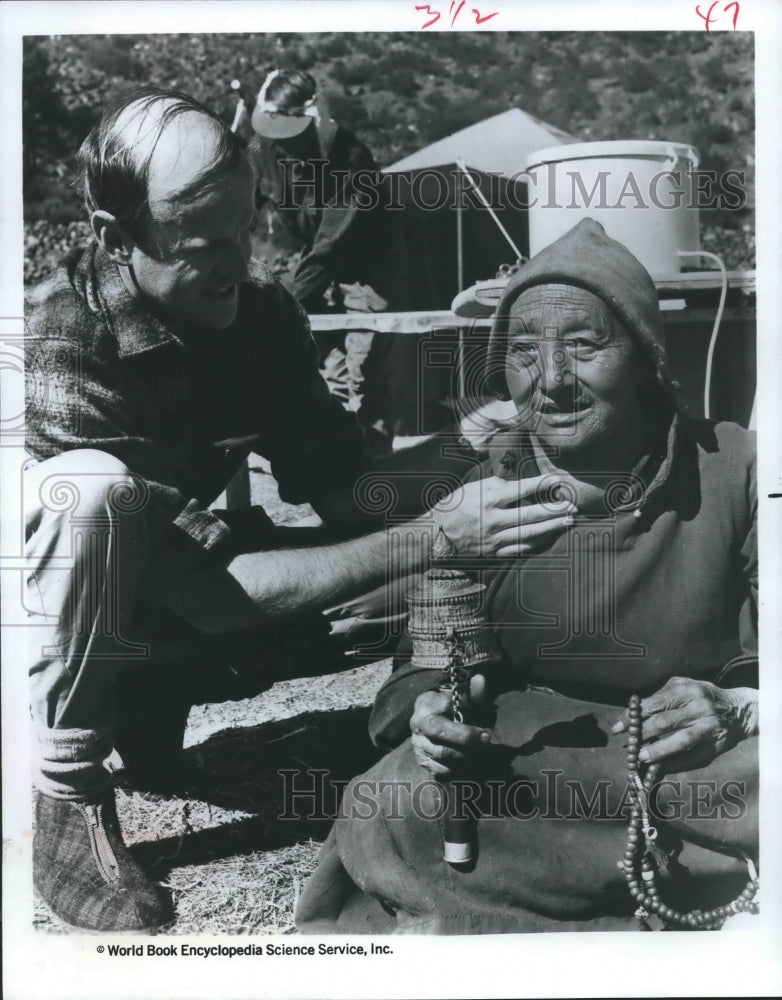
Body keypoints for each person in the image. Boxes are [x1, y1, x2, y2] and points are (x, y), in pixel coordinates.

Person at [23, 87, 572, 933]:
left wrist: (475, 436)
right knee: (92, 494)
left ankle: (148, 694)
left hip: (164, 586)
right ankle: (67, 786)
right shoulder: (60, 336)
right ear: (114, 238)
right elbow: (209, 595)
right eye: (207, 245)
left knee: (409, 575)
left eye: (248, 230)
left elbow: (344, 490)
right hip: (47, 610)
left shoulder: (260, 313)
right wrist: (434, 533)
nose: (239, 262)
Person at [295, 218, 759, 934]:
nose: (552, 379)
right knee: (399, 800)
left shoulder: (736, 470)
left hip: (701, 756)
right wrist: (433, 711)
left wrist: (739, 704)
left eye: (584, 345)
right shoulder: (482, 500)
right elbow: (415, 675)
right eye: (522, 351)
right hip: (536, 766)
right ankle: (696, 876)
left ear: (644, 357)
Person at [236, 68, 408, 454]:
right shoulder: (265, 146)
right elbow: (243, 189)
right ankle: (342, 443)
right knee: (316, 350)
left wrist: (283, 299)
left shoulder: (351, 159)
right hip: (315, 254)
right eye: (273, 133)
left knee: (367, 367)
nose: (281, 147)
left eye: (291, 136)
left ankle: (373, 462)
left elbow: (331, 245)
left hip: (368, 267)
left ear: (313, 119)